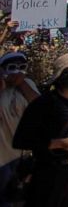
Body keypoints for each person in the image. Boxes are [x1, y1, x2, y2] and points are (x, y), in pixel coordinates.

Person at [12, 51, 68, 207]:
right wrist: (58, 143)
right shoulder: (43, 105)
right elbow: (21, 140)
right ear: (62, 77)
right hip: (48, 173)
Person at [0, 51, 38, 198]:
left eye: (21, 67)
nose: (16, 71)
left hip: (24, 154)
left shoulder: (28, 85)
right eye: (12, 68)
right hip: (3, 157)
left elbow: (39, 106)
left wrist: (21, 82)